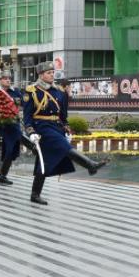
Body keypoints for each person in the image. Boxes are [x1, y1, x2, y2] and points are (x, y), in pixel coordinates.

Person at [23, 61, 107, 205]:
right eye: (48, 73)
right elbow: (27, 116)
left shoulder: (59, 91)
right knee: (63, 147)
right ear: (41, 75)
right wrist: (30, 132)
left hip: (56, 128)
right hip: (42, 128)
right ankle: (90, 165)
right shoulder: (32, 91)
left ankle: (35, 194)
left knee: (44, 162)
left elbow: (63, 115)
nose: (51, 75)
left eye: (52, 72)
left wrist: (66, 128)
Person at [0, 70, 23, 185]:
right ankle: (2, 175)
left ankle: (3, 174)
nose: (8, 80)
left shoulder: (15, 91)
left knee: (12, 151)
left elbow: (23, 102)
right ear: (0, 80)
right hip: (3, 125)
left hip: (15, 123)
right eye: (5, 78)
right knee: (10, 149)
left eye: (9, 78)